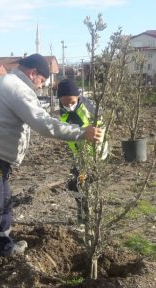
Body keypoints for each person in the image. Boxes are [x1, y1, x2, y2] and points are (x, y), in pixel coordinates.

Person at [0, 54, 103, 288]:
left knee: (3, 204)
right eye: (41, 82)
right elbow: (44, 124)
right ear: (33, 73)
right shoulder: (18, 89)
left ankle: (4, 247)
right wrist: (83, 133)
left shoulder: (2, 82)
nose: (41, 87)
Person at [56, 78, 104, 225]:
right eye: (65, 102)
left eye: (71, 102)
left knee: (80, 184)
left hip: (93, 156)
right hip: (79, 155)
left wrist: (96, 156)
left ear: (78, 96)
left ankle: (88, 218)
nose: (69, 105)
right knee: (75, 185)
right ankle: (84, 214)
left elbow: (101, 132)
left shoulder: (89, 109)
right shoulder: (63, 111)